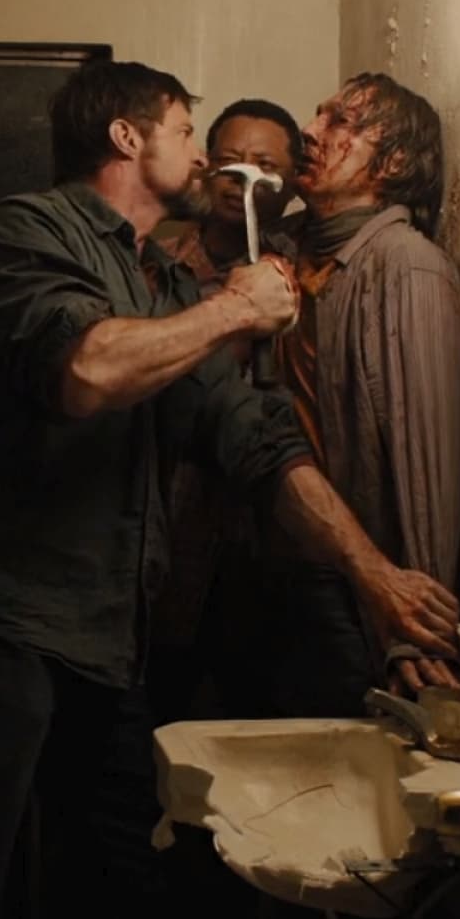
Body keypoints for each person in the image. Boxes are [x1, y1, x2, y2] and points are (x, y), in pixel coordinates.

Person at [0, 61, 460, 919]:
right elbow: (87, 370)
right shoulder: (23, 231)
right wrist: (233, 310)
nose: (203, 153)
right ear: (127, 138)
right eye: (184, 131)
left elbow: (253, 440)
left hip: (107, 638)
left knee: (122, 881)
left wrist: (377, 578)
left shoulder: (159, 281)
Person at [251, 70, 460, 723]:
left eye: (339, 121)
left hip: (348, 589)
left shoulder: (406, 265)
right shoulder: (284, 248)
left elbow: (425, 459)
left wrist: (414, 623)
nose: (310, 132)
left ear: (393, 161)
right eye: (318, 115)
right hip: (272, 564)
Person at [145, 97, 305, 727]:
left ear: (291, 183)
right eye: (231, 161)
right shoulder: (156, 263)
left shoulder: (308, 270)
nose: (243, 180)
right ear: (207, 166)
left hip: (274, 536)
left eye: (265, 166)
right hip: (174, 526)